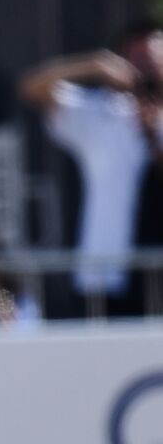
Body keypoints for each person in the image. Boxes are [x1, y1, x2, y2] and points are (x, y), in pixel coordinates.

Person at [20, 19, 163, 318]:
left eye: (152, 59)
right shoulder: (102, 113)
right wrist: (92, 65)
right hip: (109, 277)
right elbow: (32, 87)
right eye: (137, 60)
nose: (146, 69)